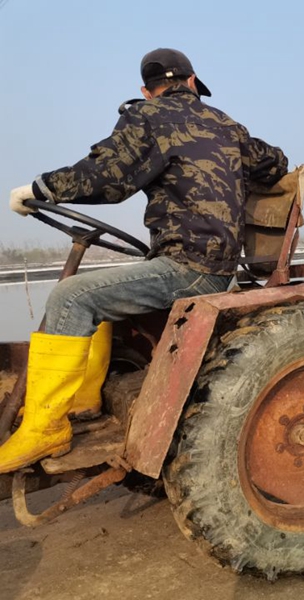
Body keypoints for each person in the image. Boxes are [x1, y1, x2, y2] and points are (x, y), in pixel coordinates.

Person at [2, 48, 288, 472]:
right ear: (193, 83)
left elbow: (107, 176)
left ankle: (46, 428)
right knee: (101, 293)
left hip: (190, 268)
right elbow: (275, 162)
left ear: (146, 90)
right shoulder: (227, 125)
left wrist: (39, 189)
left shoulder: (148, 116)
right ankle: (83, 401)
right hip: (214, 265)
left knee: (70, 297)